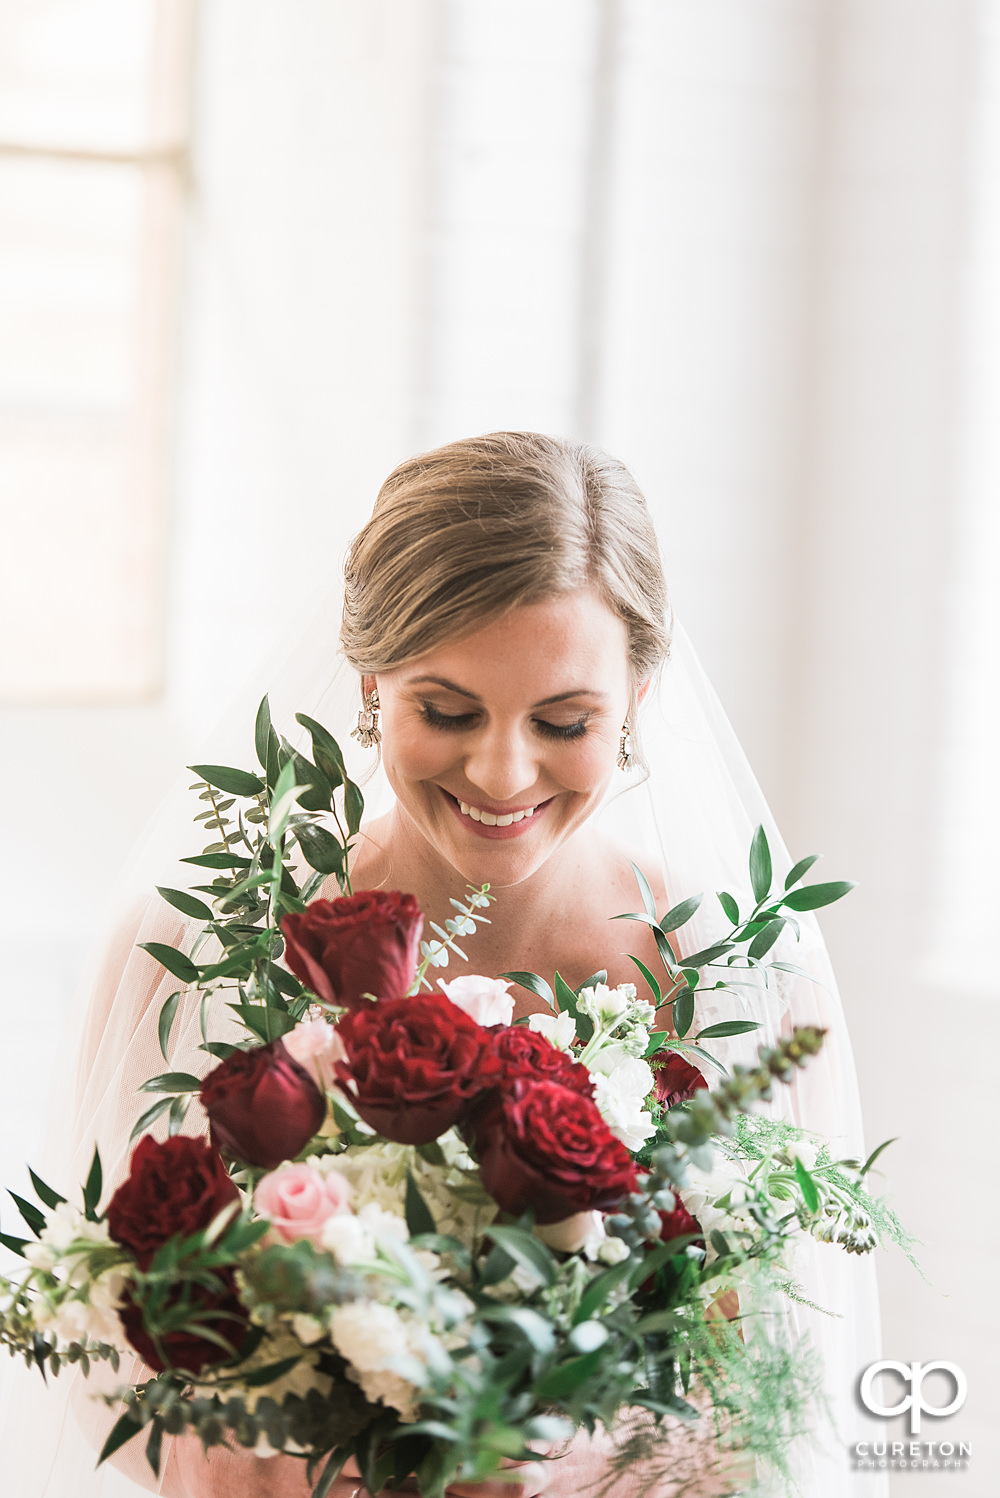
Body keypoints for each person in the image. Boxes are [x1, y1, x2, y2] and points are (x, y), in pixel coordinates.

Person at [0, 432, 886, 1497]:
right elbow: (100, 1366)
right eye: (447, 710)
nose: (502, 771)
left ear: (639, 698)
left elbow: (773, 1412)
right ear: (371, 680)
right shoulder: (191, 954)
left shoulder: (741, 980)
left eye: (565, 720)